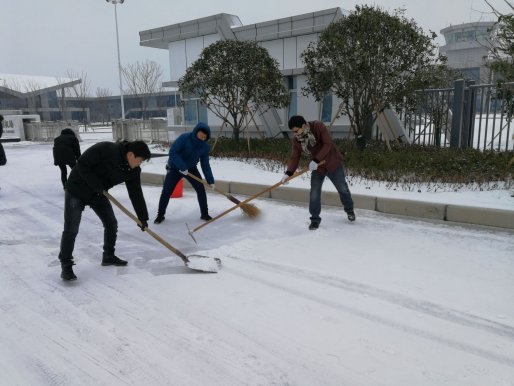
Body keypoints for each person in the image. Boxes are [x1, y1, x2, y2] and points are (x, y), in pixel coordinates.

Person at [58, 140, 151, 281]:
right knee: (71, 228)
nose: (140, 164)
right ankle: (66, 265)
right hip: (76, 189)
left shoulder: (133, 171)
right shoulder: (106, 149)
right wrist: (97, 186)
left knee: (111, 223)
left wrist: (142, 217)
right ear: (131, 155)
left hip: (98, 193)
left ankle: (108, 255)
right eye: (140, 160)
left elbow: (136, 194)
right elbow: (82, 164)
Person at [281, 115, 355, 230]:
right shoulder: (297, 140)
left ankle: (349, 210)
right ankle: (315, 219)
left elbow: (328, 144)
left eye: (296, 131)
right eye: (293, 132)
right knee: (314, 193)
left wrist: (316, 160)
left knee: (343, 189)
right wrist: (288, 173)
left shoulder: (318, 126)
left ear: (304, 125)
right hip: (317, 168)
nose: (295, 134)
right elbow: (295, 157)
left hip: (332, 163)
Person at [154, 122, 215, 224]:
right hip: (175, 168)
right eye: (200, 135)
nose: (202, 138)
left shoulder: (204, 147)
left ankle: (204, 213)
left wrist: (210, 180)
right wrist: (182, 166)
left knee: (200, 189)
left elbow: (205, 165)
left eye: (204, 137)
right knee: (166, 191)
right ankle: (160, 215)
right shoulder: (184, 138)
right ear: (196, 132)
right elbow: (173, 152)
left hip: (191, 168)